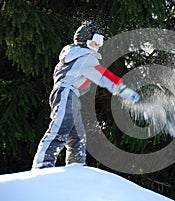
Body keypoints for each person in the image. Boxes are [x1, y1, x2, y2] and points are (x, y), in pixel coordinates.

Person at [32, 21, 140, 169]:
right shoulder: (85, 57)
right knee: (61, 127)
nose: (99, 45)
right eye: (96, 41)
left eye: (100, 41)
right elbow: (103, 77)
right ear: (86, 41)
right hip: (66, 93)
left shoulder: (72, 55)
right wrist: (124, 91)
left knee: (77, 134)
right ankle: (43, 163)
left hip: (70, 95)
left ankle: (76, 165)